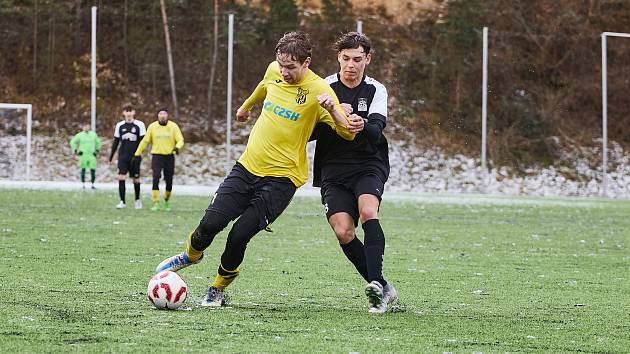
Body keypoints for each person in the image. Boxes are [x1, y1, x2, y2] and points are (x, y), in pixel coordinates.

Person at [155, 31, 363, 307]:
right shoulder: (274, 70)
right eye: (281, 66)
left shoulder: (320, 92)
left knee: (238, 236)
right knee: (209, 225)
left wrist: (334, 110)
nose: (284, 73)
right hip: (247, 167)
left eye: (291, 68)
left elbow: (348, 134)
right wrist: (245, 108)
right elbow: (264, 86)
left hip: (281, 180)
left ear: (307, 63)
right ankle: (191, 256)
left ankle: (218, 288)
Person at [310, 32, 396, 314]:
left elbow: (375, 132)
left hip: (368, 163)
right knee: (344, 231)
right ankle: (382, 286)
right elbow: (309, 132)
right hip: (333, 166)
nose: (351, 64)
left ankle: (374, 286)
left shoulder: (376, 90)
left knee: (368, 212)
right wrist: (333, 114)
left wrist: (360, 122)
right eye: (346, 58)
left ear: (367, 59)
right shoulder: (323, 87)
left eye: (358, 59)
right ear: (338, 57)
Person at [132, 108, 183, 212]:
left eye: (164, 114)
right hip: (157, 156)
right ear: (158, 116)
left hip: (169, 156)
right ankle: (155, 202)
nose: (163, 116)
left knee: (169, 180)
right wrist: (137, 153)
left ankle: (166, 200)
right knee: (156, 177)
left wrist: (177, 147)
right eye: (161, 114)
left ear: (167, 116)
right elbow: (145, 141)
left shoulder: (173, 126)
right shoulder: (152, 127)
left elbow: (180, 140)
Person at [109, 104, 146, 209]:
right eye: (126, 111)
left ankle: (137, 200)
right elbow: (116, 142)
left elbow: (144, 141)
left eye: (130, 111)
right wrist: (111, 157)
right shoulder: (120, 125)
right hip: (123, 156)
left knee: (136, 179)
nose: (129, 113)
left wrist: (139, 154)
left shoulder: (140, 125)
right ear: (123, 113)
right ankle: (122, 201)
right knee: (121, 177)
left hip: (135, 156)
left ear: (134, 112)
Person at [69, 123, 101, 189]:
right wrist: (75, 150)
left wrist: (97, 150)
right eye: (85, 127)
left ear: (89, 127)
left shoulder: (93, 135)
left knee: (93, 170)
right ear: (83, 128)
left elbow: (98, 142)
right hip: (83, 155)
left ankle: (92, 184)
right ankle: (83, 184)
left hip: (91, 155)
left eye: (87, 127)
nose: (86, 128)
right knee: (83, 169)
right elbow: (73, 142)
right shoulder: (80, 135)